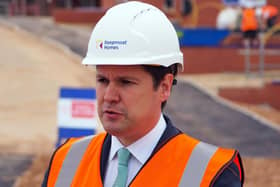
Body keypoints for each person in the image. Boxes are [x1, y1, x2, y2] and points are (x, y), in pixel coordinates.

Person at [42, 2, 244, 187]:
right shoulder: (66, 162)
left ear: (164, 87)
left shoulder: (210, 174)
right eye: (103, 80)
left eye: (126, 82)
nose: (109, 96)